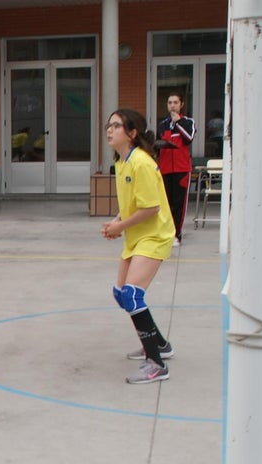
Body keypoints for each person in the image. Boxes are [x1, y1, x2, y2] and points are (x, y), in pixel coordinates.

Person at [101, 108, 176, 384]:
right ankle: (161, 345)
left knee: (133, 295)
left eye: (117, 125)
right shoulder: (122, 162)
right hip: (137, 236)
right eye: (109, 125)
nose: (110, 130)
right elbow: (132, 204)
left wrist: (120, 226)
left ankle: (156, 363)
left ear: (132, 133)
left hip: (155, 235)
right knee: (121, 294)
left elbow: (152, 207)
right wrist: (117, 222)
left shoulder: (141, 162)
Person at [155, 92, 195, 247]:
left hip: (181, 168)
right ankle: (165, 232)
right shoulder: (162, 124)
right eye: (170, 102)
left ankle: (176, 234)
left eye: (175, 102)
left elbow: (189, 138)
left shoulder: (188, 122)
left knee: (179, 203)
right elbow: (158, 144)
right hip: (164, 169)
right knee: (165, 203)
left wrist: (178, 123)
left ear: (181, 104)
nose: (172, 105)